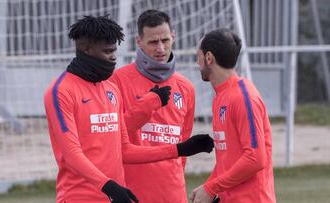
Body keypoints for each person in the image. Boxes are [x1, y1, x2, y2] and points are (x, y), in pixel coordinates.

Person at [44, 15, 214, 203]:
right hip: (81, 197)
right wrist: (108, 185)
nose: (113, 57)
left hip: (115, 197)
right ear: (86, 49)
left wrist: (180, 149)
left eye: (114, 51)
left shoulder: (110, 89)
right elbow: (72, 154)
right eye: (107, 51)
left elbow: (125, 150)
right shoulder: (61, 91)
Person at [109, 10, 196, 203]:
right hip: (133, 193)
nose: (160, 48)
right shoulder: (117, 81)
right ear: (139, 42)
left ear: (173, 36)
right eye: (152, 42)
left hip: (173, 194)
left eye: (165, 40)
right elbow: (112, 136)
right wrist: (147, 105)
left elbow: (184, 143)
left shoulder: (186, 87)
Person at [190, 28, 276, 203]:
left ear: (208, 58)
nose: (197, 63)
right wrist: (209, 187)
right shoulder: (221, 96)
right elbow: (228, 159)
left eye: (197, 56)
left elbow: (255, 158)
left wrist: (211, 188)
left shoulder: (244, 98)